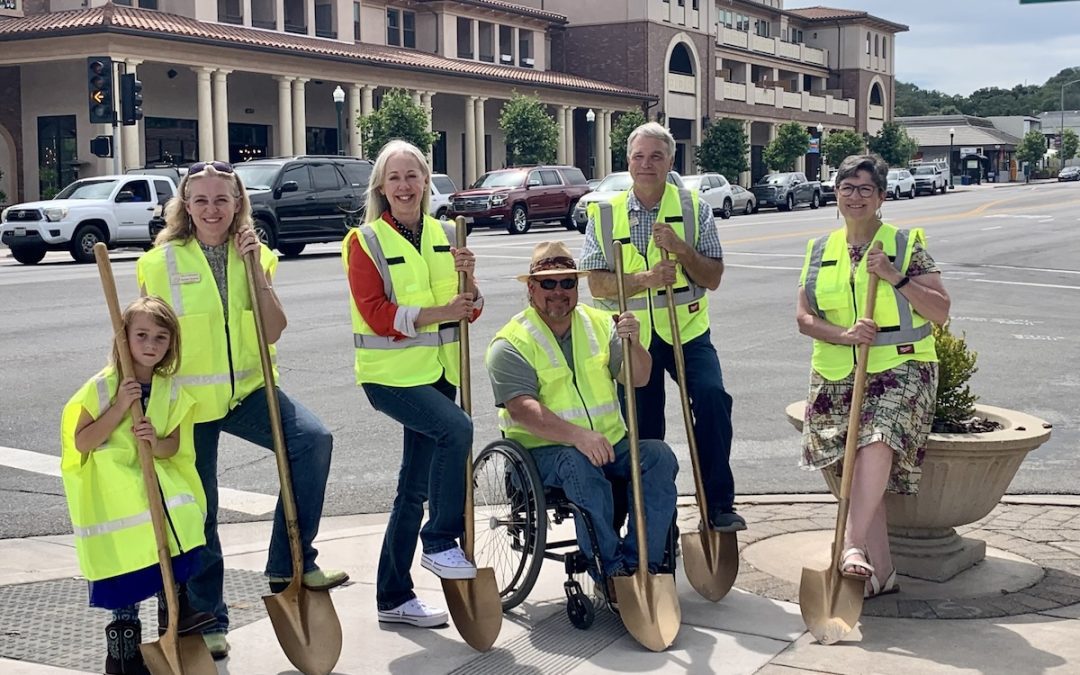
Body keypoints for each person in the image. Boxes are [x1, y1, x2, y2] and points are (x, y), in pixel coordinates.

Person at [137, 161, 346, 659]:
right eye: (202, 200)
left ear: (238, 206)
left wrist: (254, 267)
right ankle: (209, 615)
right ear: (186, 206)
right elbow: (144, 337)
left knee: (313, 441)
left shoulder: (259, 256)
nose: (212, 210)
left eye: (222, 200)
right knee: (201, 508)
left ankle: (289, 562)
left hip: (248, 391)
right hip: (190, 400)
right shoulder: (158, 263)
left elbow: (272, 329)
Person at [796, 154, 950, 599]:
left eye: (866, 189)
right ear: (836, 194)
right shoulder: (818, 249)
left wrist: (895, 277)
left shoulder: (904, 244)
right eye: (847, 187)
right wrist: (843, 333)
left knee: (878, 440)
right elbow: (804, 319)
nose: (855, 196)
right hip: (837, 368)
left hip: (902, 365)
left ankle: (849, 544)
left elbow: (941, 311)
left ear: (882, 197)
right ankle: (881, 572)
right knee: (856, 469)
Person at [485, 241, 679, 594]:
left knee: (659, 457)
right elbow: (520, 408)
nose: (559, 291)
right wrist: (578, 436)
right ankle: (611, 571)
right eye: (548, 283)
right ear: (530, 288)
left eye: (568, 283)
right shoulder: (509, 342)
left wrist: (634, 343)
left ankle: (643, 564)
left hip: (608, 444)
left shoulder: (602, 323)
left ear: (577, 287)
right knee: (577, 463)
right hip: (540, 452)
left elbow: (639, 378)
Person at [343, 140, 481, 628]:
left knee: (411, 489)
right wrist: (442, 312)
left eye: (412, 176)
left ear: (426, 181)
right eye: (394, 178)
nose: (404, 186)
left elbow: (469, 310)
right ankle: (441, 540)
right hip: (391, 377)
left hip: (439, 371)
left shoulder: (446, 233)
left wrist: (471, 284)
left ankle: (393, 596)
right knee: (457, 430)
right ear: (382, 186)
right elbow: (376, 314)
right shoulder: (366, 241)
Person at [580, 121, 744, 532]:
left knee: (711, 399)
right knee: (643, 427)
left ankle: (718, 504)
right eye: (639, 156)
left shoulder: (694, 208)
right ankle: (654, 518)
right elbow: (597, 284)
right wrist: (643, 281)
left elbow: (713, 276)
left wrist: (682, 250)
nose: (646, 164)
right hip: (634, 336)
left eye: (656, 156)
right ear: (628, 162)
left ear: (671, 161)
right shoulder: (603, 214)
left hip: (686, 331)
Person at [61, 296, 215, 675]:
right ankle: (123, 650)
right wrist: (118, 408)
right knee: (129, 572)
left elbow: (174, 445)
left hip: (156, 490)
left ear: (170, 345)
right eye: (141, 335)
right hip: (120, 498)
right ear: (123, 338)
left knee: (181, 531)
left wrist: (154, 441)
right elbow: (82, 442)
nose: (150, 345)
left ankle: (175, 612)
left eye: (160, 338)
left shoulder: (170, 390)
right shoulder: (103, 388)